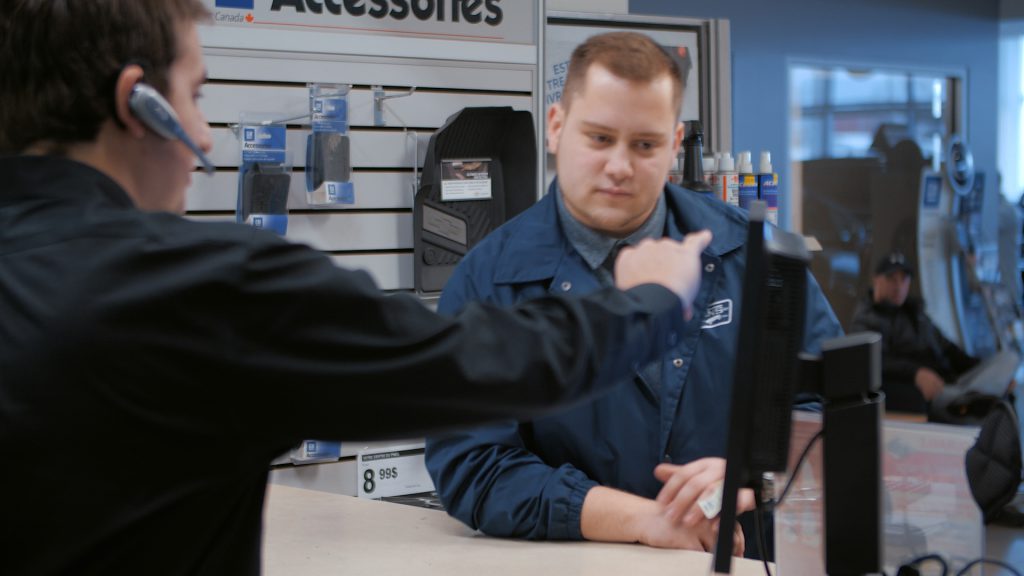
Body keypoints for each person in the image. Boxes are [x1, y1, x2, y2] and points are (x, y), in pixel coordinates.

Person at [0, 3, 716, 574]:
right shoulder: (196, 287)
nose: (205, 136)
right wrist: (650, 303)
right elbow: (474, 369)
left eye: (647, 144)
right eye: (193, 97)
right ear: (139, 104)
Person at [424, 31, 842, 556]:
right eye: (599, 138)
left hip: (740, 558)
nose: (619, 166)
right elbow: (475, 467)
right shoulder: (489, 280)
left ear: (674, 143)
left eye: (644, 144)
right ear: (556, 128)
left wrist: (756, 474)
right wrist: (645, 520)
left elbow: (834, 416)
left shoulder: (759, 259)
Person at [850, 251, 981, 414]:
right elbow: (875, 361)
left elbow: (948, 348)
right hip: (916, 391)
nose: (898, 286)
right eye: (891, 279)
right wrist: (915, 373)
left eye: (904, 279)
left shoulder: (917, 314)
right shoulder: (867, 319)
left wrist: (980, 369)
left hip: (949, 381)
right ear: (876, 280)